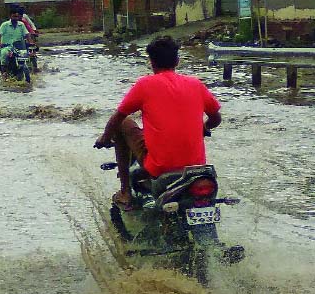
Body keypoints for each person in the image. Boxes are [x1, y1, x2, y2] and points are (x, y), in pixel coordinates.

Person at [94, 36, 222, 208]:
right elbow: (216, 118)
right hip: (197, 169)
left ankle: (125, 193)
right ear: (177, 61)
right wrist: (204, 127)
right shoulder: (196, 84)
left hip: (160, 168)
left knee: (125, 123)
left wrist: (105, 138)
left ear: (151, 62)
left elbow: (117, 118)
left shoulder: (144, 85)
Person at [0, 7, 30, 73]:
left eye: (17, 16)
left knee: (26, 57)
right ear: (10, 16)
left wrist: (30, 42)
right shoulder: (4, 25)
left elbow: (27, 34)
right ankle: (4, 74)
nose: (15, 18)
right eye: (14, 16)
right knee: (4, 55)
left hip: (19, 47)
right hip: (7, 47)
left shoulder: (21, 25)